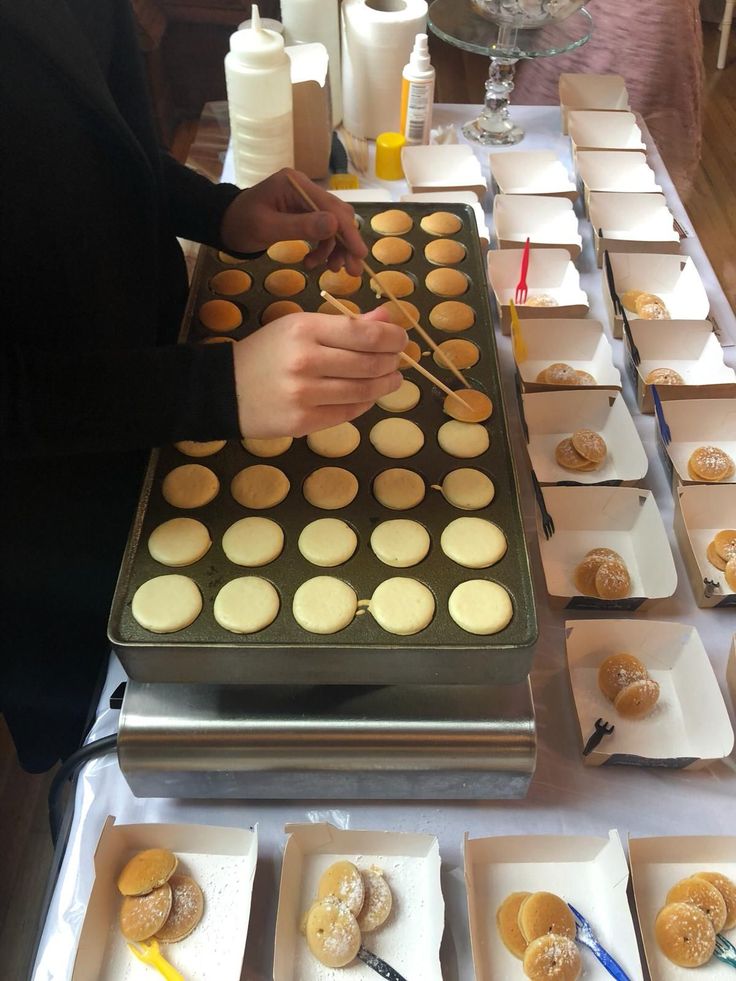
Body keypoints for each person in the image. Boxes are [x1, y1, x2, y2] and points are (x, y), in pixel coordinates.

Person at [0, 0, 405, 771]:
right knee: (102, 748)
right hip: (43, 516)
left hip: (155, 384)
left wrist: (223, 212)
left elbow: (95, 147)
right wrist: (214, 388)